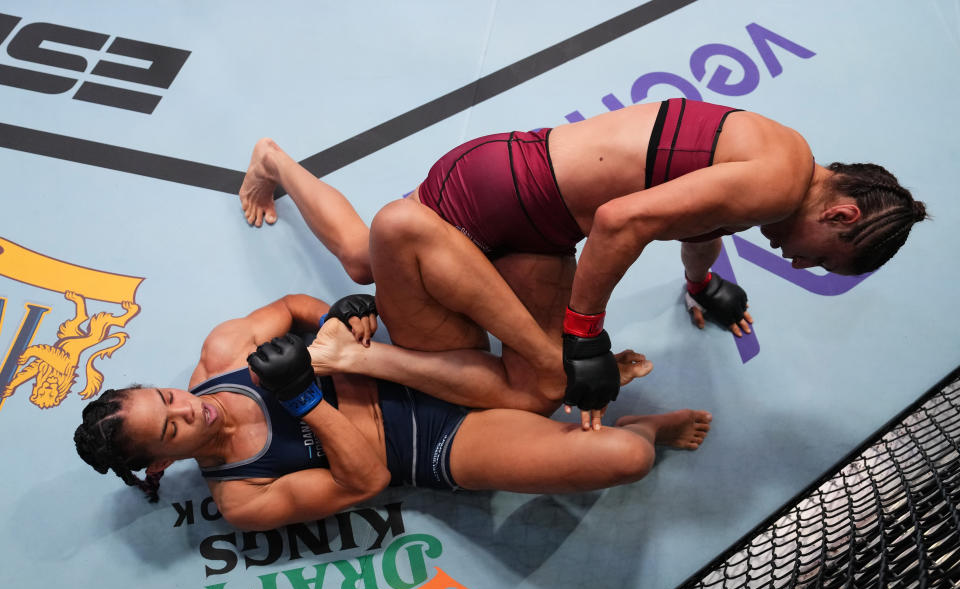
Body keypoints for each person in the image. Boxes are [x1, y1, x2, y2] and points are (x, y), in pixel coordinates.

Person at [238, 98, 927, 426]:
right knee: (363, 261)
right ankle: (274, 158)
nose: (799, 264)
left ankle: (369, 344)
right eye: (821, 259)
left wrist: (700, 281)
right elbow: (620, 220)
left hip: (541, 231)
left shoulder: (779, 173)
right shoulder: (780, 178)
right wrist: (585, 334)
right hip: (504, 185)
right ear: (842, 215)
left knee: (536, 389)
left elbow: (701, 221)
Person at [72, 293, 711, 530]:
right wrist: (305, 394)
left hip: (411, 361)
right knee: (625, 456)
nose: (190, 409)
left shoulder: (221, 353)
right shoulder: (245, 499)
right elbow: (370, 481)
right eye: (173, 428)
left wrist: (338, 317)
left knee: (403, 234)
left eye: (168, 397)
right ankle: (643, 423)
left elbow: (297, 305)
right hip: (437, 442)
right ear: (160, 462)